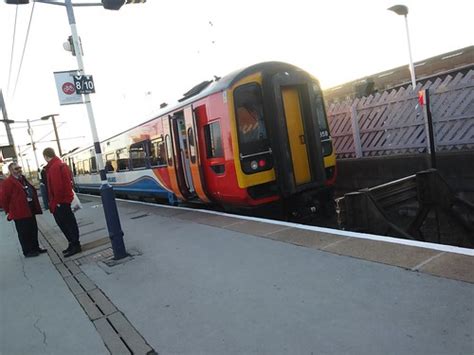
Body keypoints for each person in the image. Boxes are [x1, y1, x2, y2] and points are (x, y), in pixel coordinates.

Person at [0, 162, 47, 257]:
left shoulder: (23, 179)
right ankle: (28, 251)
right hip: (19, 211)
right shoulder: (8, 182)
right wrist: (8, 211)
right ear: (11, 171)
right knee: (24, 232)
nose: (19, 170)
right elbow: (4, 198)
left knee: (33, 229)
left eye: (19, 168)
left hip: (29, 209)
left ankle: (35, 247)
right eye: (16, 169)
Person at [43, 147, 81, 257]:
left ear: (46, 156)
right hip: (63, 200)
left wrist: (57, 202)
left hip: (60, 202)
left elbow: (57, 187)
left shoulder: (54, 167)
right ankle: (72, 243)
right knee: (69, 223)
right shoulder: (59, 165)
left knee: (66, 223)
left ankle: (74, 244)